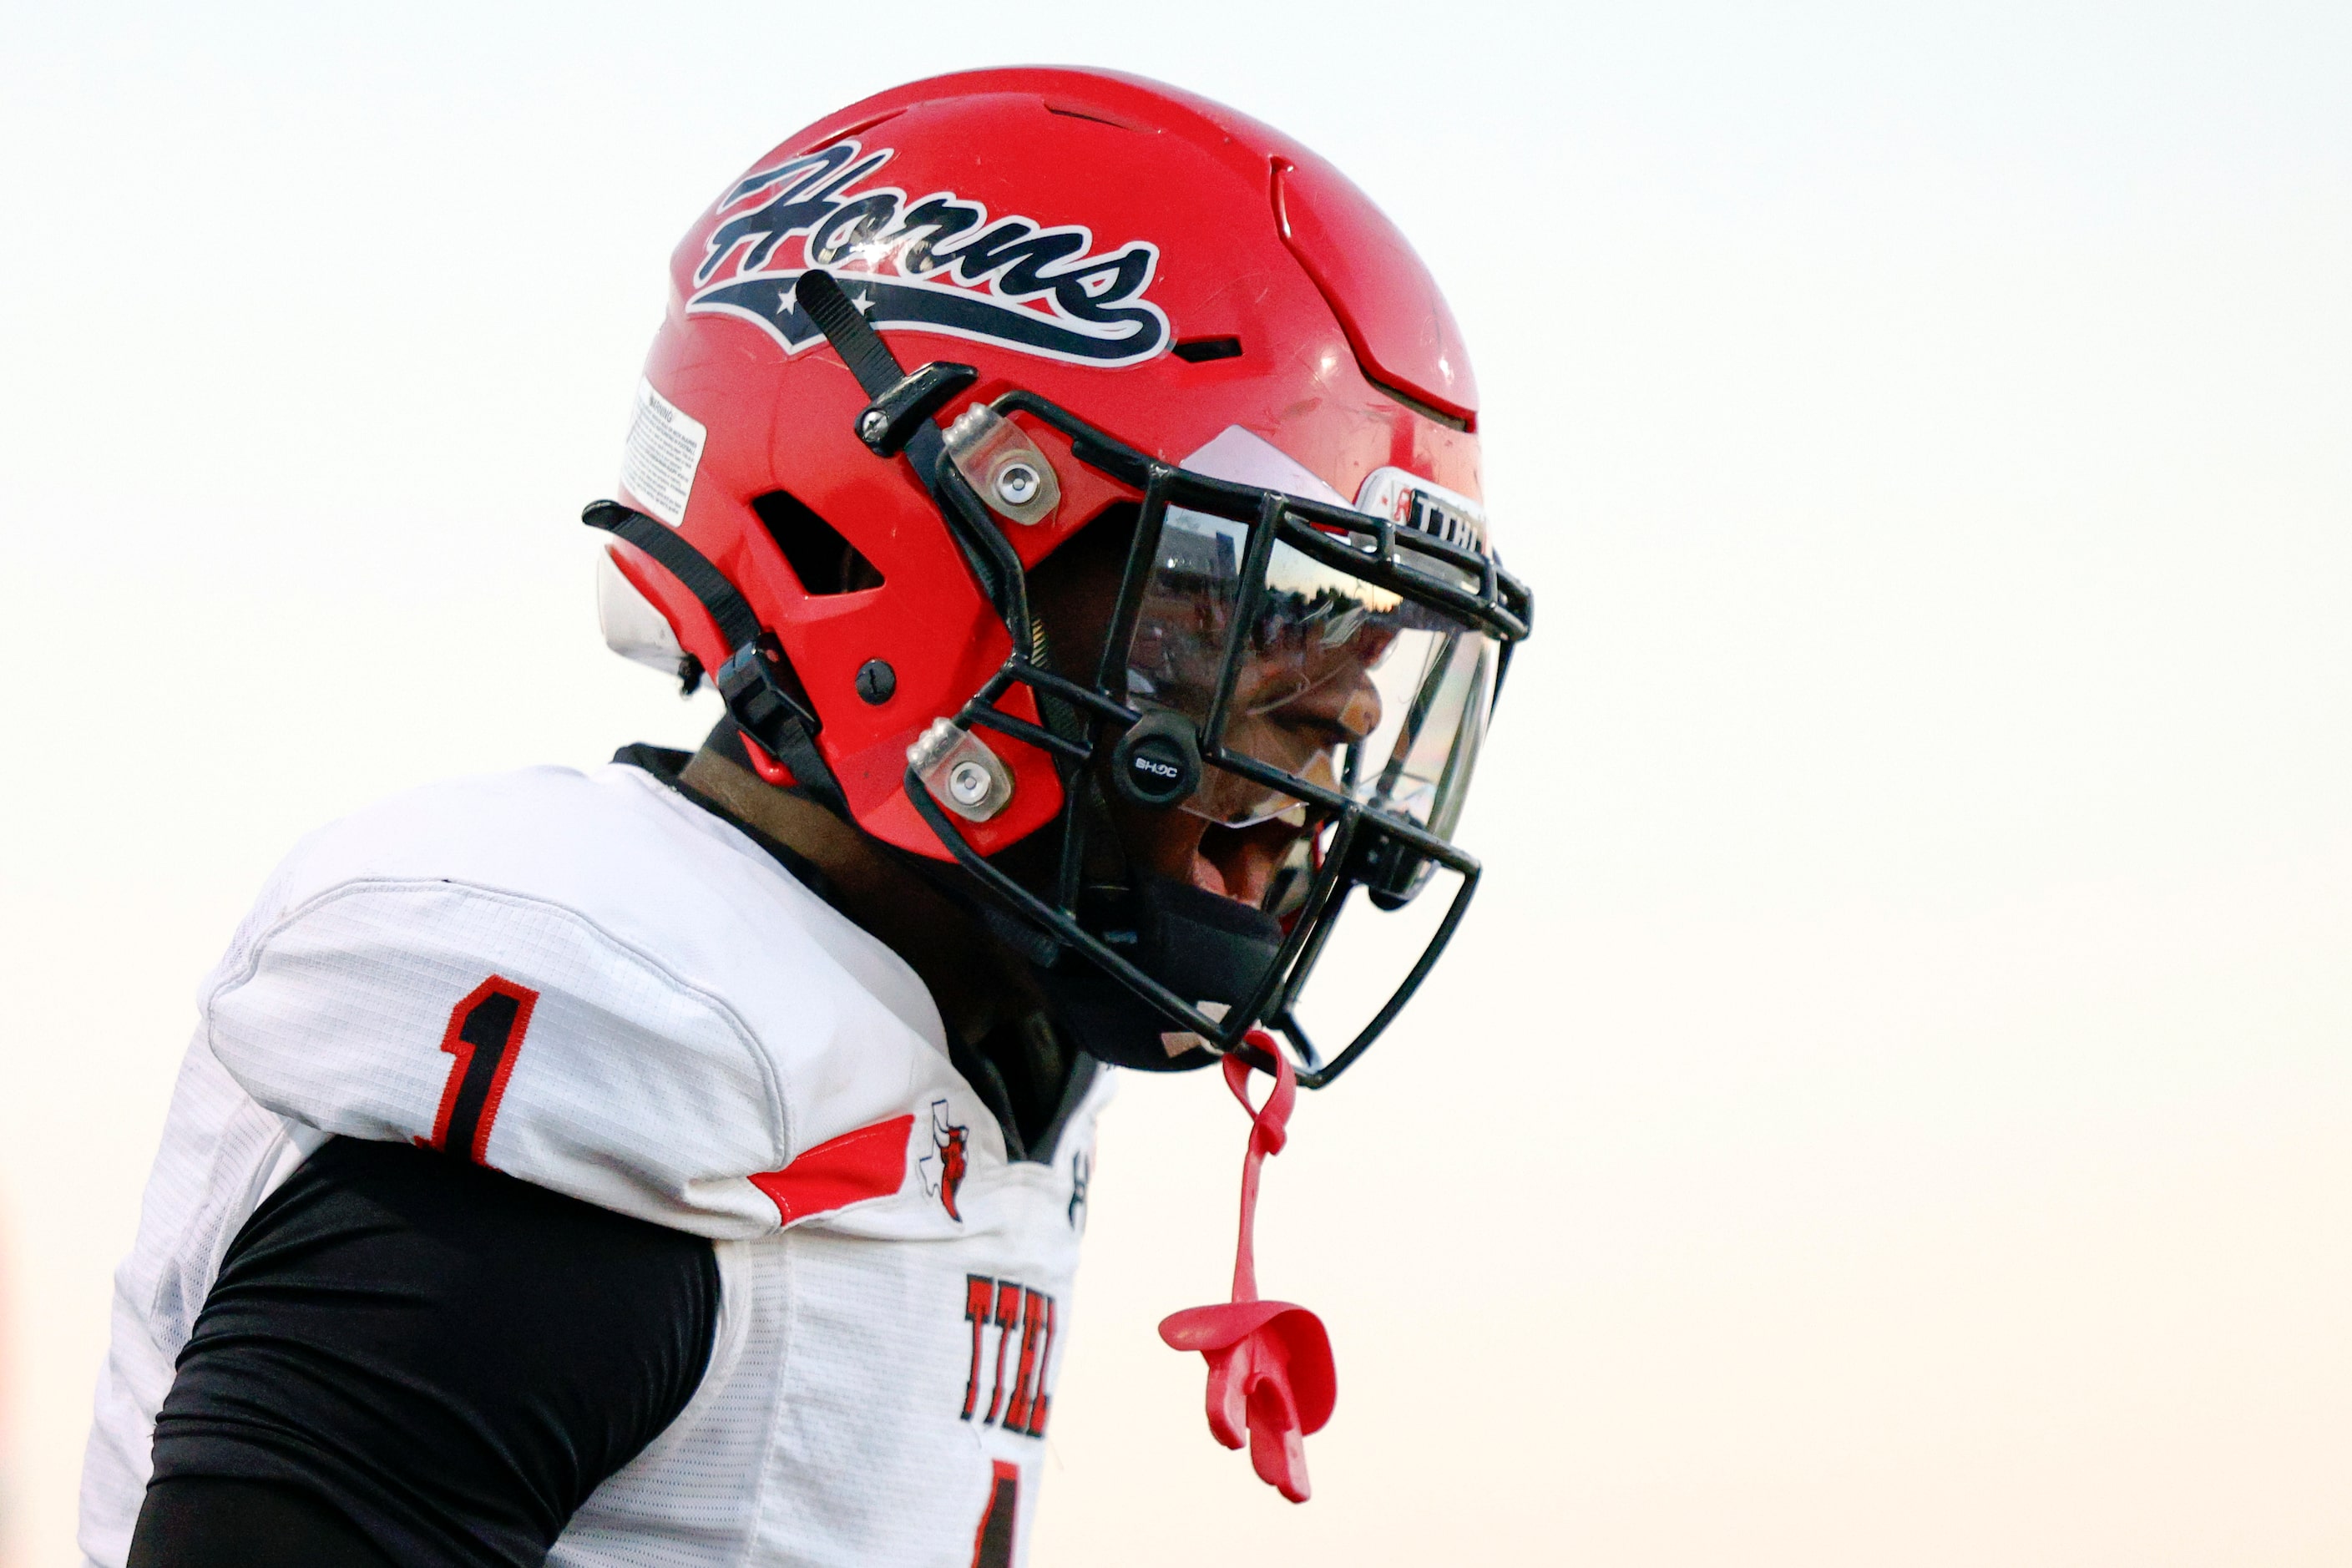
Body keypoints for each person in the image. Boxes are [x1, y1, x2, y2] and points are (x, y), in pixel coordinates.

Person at [77, 65, 1534, 1568]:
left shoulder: (967, 1037)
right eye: (1256, 595)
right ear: (910, 540)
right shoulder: (642, 1041)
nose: (1349, 706)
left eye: (1368, 626)